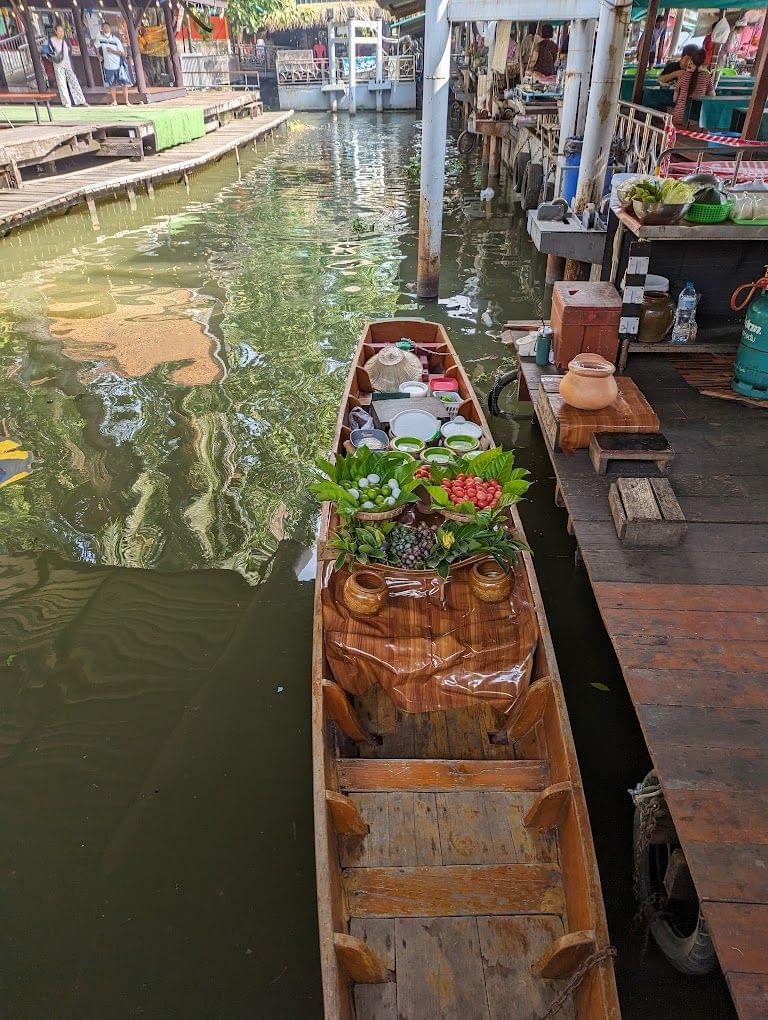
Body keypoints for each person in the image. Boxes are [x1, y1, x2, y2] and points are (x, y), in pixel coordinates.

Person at [45, 22, 88, 108]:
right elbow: (48, 53)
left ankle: (81, 100)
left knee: (74, 81)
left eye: (62, 31)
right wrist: (54, 58)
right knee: (61, 83)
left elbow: (70, 51)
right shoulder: (51, 41)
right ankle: (66, 102)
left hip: (67, 63)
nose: (61, 33)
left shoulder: (66, 41)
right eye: (60, 31)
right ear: (55, 31)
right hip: (58, 64)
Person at [671, 48, 714, 126]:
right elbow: (712, 97)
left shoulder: (683, 75)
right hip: (697, 120)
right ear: (704, 60)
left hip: (679, 116)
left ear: (691, 59)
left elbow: (674, 99)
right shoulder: (707, 76)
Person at [97, 19, 131, 106]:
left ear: (110, 28)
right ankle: (114, 101)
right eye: (104, 27)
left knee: (123, 83)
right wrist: (99, 55)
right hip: (108, 65)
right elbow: (96, 46)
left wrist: (112, 51)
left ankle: (127, 101)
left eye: (107, 27)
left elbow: (123, 53)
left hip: (118, 65)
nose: (106, 29)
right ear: (102, 28)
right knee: (112, 84)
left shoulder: (116, 40)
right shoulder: (100, 38)